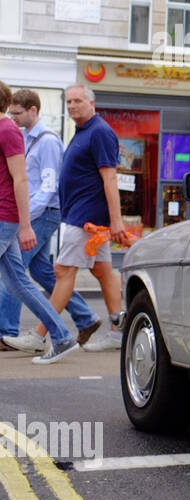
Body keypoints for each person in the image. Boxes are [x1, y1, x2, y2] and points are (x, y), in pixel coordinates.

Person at [2, 84, 125, 354]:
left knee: (62, 271)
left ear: (92, 103)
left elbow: (110, 178)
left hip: (86, 218)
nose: (72, 106)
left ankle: (41, 334)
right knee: (103, 272)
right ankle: (115, 331)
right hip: (80, 216)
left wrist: (116, 222)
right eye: (68, 101)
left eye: (78, 101)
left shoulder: (100, 132)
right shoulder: (83, 131)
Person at [0, 81, 78, 363]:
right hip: (14, 215)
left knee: (21, 281)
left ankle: (9, 331)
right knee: (21, 282)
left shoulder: (14, 132)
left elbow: (25, 181)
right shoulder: (14, 131)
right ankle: (64, 335)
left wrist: (25, 225)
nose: (15, 117)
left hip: (14, 215)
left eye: (18, 112)